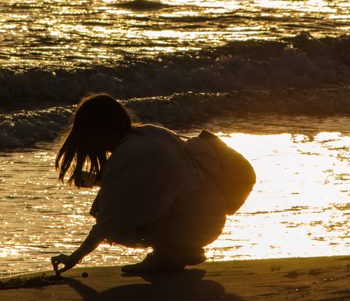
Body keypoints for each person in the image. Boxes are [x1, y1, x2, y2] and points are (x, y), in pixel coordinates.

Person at [49, 93, 229, 275]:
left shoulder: (125, 156)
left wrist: (73, 258)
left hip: (196, 225)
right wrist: (99, 180)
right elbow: (154, 180)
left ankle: (167, 255)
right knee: (127, 207)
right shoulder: (150, 132)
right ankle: (186, 250)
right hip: (213, 217)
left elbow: (107, 222)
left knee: (116, 223)